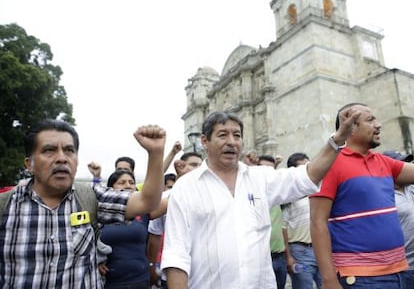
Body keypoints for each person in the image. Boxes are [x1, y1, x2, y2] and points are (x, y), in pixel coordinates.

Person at [161, 109, 359, 289]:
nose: (231, 141)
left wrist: (338, 139)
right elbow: (176, 256)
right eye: (223, 135)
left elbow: (308, 176)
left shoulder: (260, 178)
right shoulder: (186, 188)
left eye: (237, 135)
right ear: (205, 141)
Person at [0, 119, 165, 288]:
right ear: (30, 164)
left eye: (69, 150)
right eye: (49, 150)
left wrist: (156, 153)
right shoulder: (5, 207)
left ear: (77, 161)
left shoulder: (90, 197)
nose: (62, 158)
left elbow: (147, 201)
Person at [310, 102, 414, 289]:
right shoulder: (329, 164)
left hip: (400, 272)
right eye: (370, 120)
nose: (378, 124)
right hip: (360, 278)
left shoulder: (384, 162)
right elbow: (318, 222)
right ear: (351, 126)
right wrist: (329, 280)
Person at [147, 152, 203, 289]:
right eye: (194, 165)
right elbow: (154, 236)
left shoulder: (213, 196)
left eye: (201, 166)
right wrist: (151, 266)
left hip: (205, 273)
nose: (198, 169)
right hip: (173, 273)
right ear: (180, 166)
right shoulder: (165, 198)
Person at [99, 169, 152, 289]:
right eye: (121, 182)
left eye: (131, 182)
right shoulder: (98, 212)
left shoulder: (143, 211)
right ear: (110, 188)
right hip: (109, 281)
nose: (128, 186)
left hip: (140, 280)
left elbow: (168, 199)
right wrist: (96, 260)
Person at [282, 152, 322, 289]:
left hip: (321, 249)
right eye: (303, 168)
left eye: (309, 166)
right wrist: (289, 258)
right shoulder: (289, 196)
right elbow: (283, 227)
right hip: (300, 252)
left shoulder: (319, 191)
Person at [383, 150, 414, 288]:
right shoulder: (383, 196)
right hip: (406, 268)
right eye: (402, 165)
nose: (408, 167)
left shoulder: (411, 187)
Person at [258, 155, 287, 289]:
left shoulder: (276, 195)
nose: (268, 174)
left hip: (280, 257)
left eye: (271, 170)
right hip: (261, 259)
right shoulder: (251, 197)